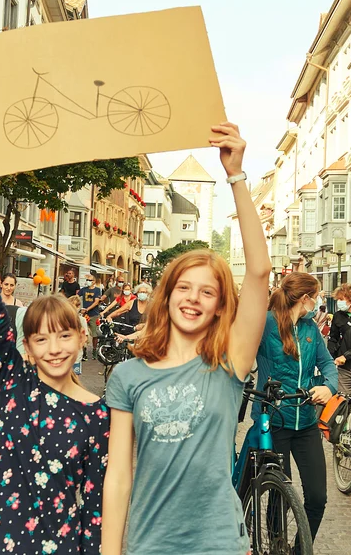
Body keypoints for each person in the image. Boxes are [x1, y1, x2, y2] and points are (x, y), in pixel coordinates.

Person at [102, 122, 270, 555]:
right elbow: (119, 475)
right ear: (168, 294)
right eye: (184, 287)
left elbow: (258, 272)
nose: (194, 298)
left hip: (217, 543)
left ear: (219, 306)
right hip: (148, 544)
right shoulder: (128, 375)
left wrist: (235, 175)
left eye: (208, 291)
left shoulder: (229, 363)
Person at [0, 169, 110, 555]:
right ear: (26, 346)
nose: (53, 348)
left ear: (81, 339)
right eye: (41, 338)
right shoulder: (14, 383)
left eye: (64, 335)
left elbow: (95, 508)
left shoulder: (97, 415)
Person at [250, 272, 338, 541]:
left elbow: (327, 364)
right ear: (305, 298)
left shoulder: (310, 327)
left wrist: (329, 387)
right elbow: (241, 355)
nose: (319, 300)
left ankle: (301, 549)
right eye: (317, 295)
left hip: (306, 422)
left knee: (317, 497)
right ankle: (276, 544)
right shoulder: (265, 323)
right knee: (279, 495)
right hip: (274, 421)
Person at [79, 272, 104, 359]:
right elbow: (77, 297)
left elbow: (96, 301)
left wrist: (87, 309)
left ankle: (94, 351)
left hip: (93, 314)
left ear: (94, 281)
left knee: (94, 334)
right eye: (87, 280)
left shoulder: (97, 290)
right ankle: (83, 351)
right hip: (83, 315)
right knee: (82, 333)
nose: (88, 281)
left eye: (90, 280)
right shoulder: (84, 289)